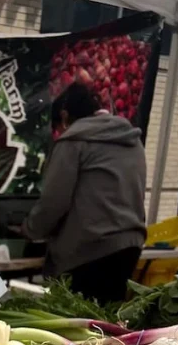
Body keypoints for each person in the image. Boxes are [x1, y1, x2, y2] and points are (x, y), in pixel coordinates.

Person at [22, 82, 146, 304]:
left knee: (80, 327)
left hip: (88, 252)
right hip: (129, 247)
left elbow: (54, 202)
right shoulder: (131, 139)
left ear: (65, 115)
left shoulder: (74, 141)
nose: (59, 133)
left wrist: (30, 230)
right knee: (108, 323)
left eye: (58, 127)